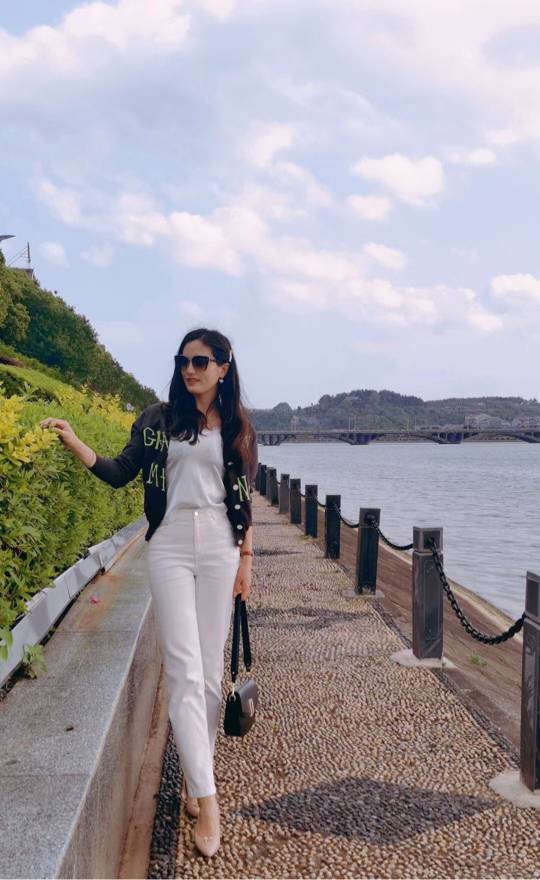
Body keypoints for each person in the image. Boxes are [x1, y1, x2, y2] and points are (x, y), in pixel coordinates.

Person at [40, 329, 258, 859]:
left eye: (201, 361)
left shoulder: (237, 427)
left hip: (222, 545)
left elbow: (243, 496)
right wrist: (75, 442)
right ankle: (208, 800)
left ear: (224, 367)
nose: (190, 369)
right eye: (184, 360)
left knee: (209, 673)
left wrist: (247, 559)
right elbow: (120, 472)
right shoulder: (159, 420)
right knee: (183, 669)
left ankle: (197, 777)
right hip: (171, 543)